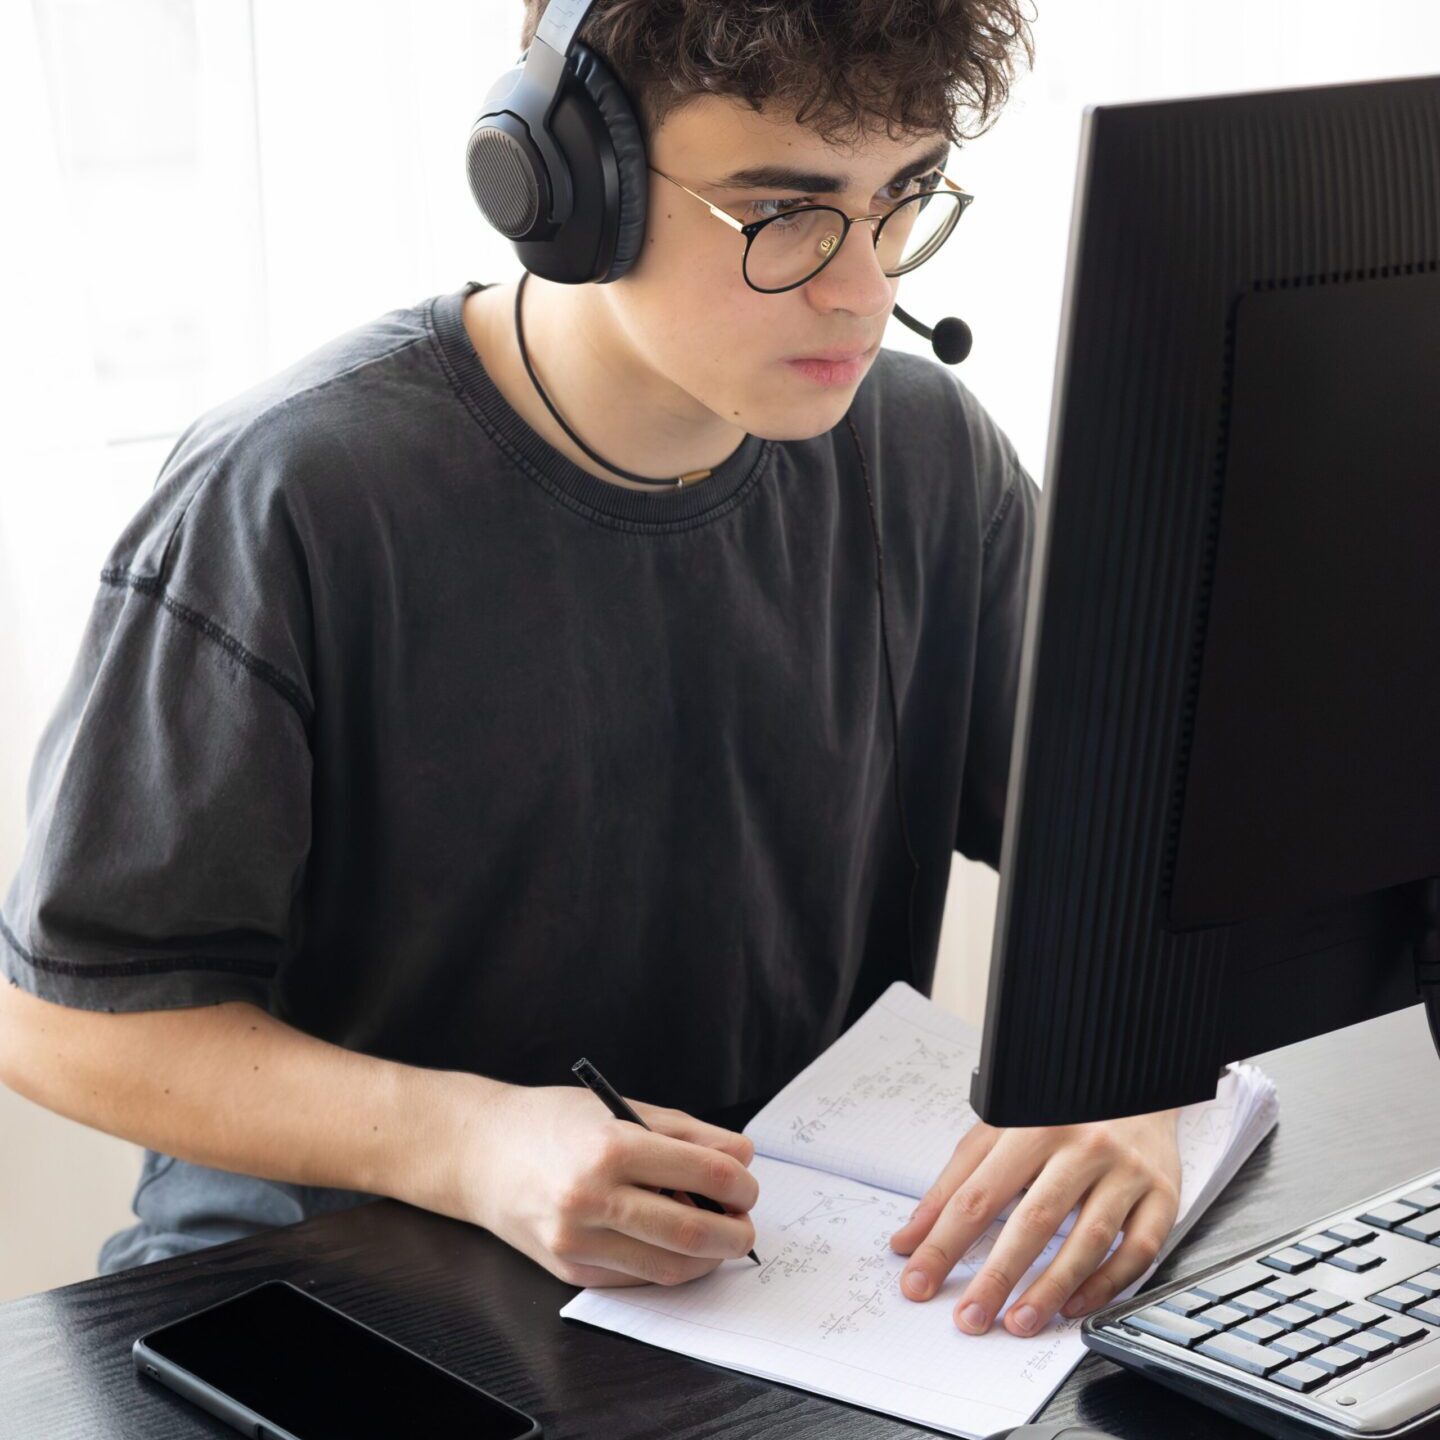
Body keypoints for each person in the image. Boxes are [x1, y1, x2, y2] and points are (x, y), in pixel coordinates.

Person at [0, 0, 1181, 1341]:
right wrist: (473, 1144)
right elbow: (65, 1020)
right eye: (782, 212)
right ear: (573, 188)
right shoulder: (291, 495)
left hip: (766, 1295)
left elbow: (1127, 855)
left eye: (900, 199)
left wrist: (1129, 1081)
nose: (868, 288)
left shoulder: (927, 458)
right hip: (323, 1312)